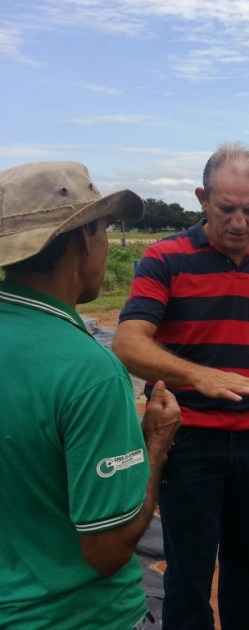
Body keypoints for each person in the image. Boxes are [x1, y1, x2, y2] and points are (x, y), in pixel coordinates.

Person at [112, 141, 249, 629]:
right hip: (189, 442)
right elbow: (128, 343)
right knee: (189, 572)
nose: (240, 222)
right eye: (226, 209)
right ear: (202, 199)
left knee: (246, 564)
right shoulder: (165, 258)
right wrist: (198, 376)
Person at [0, 161, 181, 629]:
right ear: (84, 237)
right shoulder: (89, 371)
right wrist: (155, 445)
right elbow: (107, 551)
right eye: (104, 230)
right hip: (82, 616)